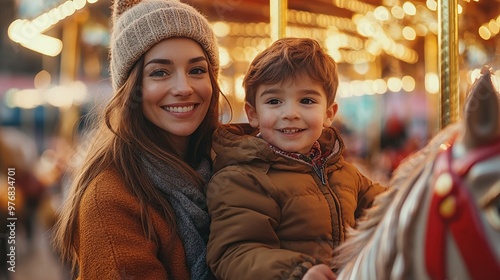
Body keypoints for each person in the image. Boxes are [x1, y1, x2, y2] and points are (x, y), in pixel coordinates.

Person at [52, 0, 223, 279]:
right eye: (160, 72)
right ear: (132, 89)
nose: (184, 87)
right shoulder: (110, 199)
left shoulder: (230, 162)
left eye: (197, 70)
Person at [206, 38, 387, 280]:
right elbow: (235, 253)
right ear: (253, 114)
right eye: (274, 101)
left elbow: (389, 206)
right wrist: (297, 272)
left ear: (328, 114)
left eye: (307, 101)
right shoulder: (242, 179)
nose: (290, 113)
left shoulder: (344, 173)